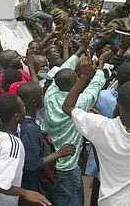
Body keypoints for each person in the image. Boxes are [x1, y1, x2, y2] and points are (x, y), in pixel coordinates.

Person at [62, 57, 130, 205]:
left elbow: (67, 107)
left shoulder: (101, 127)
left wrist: (84, 77)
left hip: (108, 201)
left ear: (117, 104)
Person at [42, 43, 109, 206]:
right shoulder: (80, 102)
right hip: (67, 168)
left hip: (48, 162)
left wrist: (78, 52)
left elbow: (61, 71)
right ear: (74, 85)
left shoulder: (49, 95)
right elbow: (95, 86)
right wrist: (100, 65)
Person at [0, 94, 50, 206]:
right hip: (2, 202)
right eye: (23, 107)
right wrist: (26, 193)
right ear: (16, 116)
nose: (25, 108)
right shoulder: (13, 145)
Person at [16, 82, 76, 205]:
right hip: (34, 187)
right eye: (41, 96)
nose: (43, 98)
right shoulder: (30, 129)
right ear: (34, 102)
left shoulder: (24, 123)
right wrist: (58, 154)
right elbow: (31, 164)